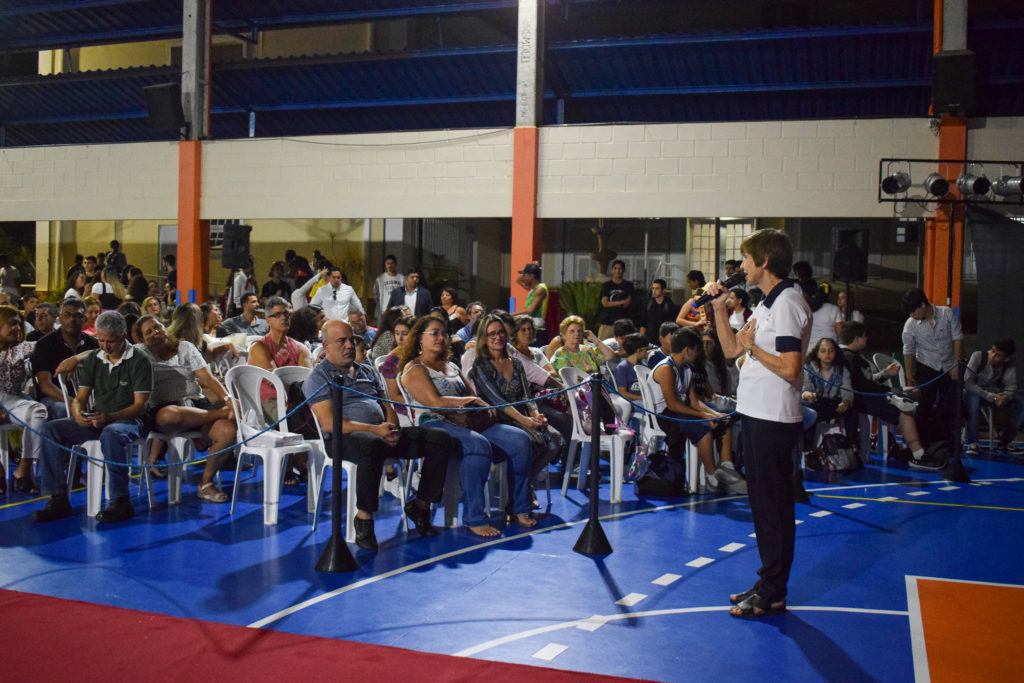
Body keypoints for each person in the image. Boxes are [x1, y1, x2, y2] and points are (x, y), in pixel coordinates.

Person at [707, 228, 811, 618]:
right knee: (763, 504)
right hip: (756, 413)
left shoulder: (787, 303)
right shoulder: (768, 303)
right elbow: (732, 349)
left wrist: (753, 349)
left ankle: (773, 590)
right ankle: (768, 580)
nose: (742, 266)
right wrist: (719, 310)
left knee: (773, 506)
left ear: (764, 261)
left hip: (773, 417)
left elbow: (790, 367)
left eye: (747, 259)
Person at [304, 320, 452, 549]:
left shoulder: (365, 370)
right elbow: (329, 423)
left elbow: (386, 405)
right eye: (341, 341)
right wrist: (375, 430)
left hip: (381, 433)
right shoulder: (319, 376)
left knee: (439, 440)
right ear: (326, 346)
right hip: (344, 439)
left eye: (351, 339)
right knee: (371, 445)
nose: (349, 345)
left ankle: (420, 505)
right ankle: (364, 518)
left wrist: (391, 427)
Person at [399, 316, 536, 537]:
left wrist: (472, 407)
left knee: (520, 440)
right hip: (435, 424)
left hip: (467, 421)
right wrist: (469, 403)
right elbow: (435, 402)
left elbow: (472, 395)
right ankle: (475, 518)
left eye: (444, 333)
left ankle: (519, 507)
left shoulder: (452, 366)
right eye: (434, 333)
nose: (441, 337)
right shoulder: (414, 368)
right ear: (419, 338)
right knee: (478, 444)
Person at [33, 311, 153, 524]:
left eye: (110, 341)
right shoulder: (94, 359)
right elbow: (80, 398)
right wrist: (78, 413)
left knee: (111, 433)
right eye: (100, 340)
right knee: (50, 429)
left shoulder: (139, 360)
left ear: (123, 337)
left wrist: (110, 418)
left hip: (130, 421)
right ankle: (58, 498)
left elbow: (140, 406)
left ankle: (121, 501)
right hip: (99, 418)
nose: (105, 346)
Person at [469, 314, 564, 504]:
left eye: (501, 332)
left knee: (555, 439)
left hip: (523, 415)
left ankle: (525, 484)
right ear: (484, 338)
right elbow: (498, 402)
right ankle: (518, 496)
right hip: (498, 419)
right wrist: (527, 421)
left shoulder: (517, 363)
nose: (498, 337)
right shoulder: (480, 366)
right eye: (492, 334)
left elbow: (527, 397)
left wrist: (537, 416)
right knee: (530, 440)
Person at [648, 327, 746, 494]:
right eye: (697, 350)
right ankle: (712, 475)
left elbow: (694, 401)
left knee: (724, 421)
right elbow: (672, 404)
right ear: (688, 350)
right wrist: (703, 416)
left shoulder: (687, 369)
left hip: (680, 411)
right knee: (703, 430)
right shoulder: (666, 369)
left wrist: (714, 414)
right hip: (665, 415)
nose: (698, 354)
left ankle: (726, 466)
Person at [837, 321, 932, 468]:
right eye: (864, 336)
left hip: (871, 394)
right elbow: (864, 386)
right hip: (867, 398)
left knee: (915, 394)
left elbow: (866, 380)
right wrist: (890, 393)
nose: (866, 339)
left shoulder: (850, 357)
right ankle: (918, 453)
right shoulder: (850, 358)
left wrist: (886, 374)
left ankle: (914, 442)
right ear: (856, 339)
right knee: (905, 408)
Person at [0, 305, 47, 494]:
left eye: (19, 324)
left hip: (14, 399)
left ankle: (23, 469)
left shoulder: (23, 347)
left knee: (39, 411)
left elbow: (49, 345)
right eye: (11, 324)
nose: (17, 328)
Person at [30, 299, 99, 420]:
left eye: (77, 315)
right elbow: (45, 385)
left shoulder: (93, 344)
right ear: (60, 318)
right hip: (56, 398)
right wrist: (74, 402)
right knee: (63, 410)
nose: (72, 319)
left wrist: (77, 359)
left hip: (89, 398)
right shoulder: (44, 345)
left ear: (84, 319)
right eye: (67, 315)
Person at [901, 287, 963, 420]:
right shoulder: (910, 324)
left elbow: (957, 337)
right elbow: (908, 349)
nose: (911, 315)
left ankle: (945, 431)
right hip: (926, 366)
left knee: (951, 405)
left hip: (949, 366)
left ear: (923, 305)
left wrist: (956, 365)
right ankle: (922, 432)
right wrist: (909, 374)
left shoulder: (946, 313)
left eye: (913, 311)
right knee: (924, 406)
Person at [964, 338, 1024, 455]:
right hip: (972, 393)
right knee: (973, 399)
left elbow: (1011, 385)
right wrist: (992, 397)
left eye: (998, 355)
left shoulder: (1008, 365)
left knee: (1021, 403)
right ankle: (973, 443)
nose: (993, 355)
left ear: (1006, 358)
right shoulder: (978, 356)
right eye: (992, 351)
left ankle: (1004, 443)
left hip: (994, 395)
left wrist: (1006, 396)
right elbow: (968, 384)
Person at [801, 337, 852, 448]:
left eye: (831, 351)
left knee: (851, 410)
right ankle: (808, 449)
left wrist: (846, 401)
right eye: (823, 351)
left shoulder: (842, 369)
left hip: (834, 404)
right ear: (818, 354)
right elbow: (805, 389)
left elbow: (847, 388)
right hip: (815, 402)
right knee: (808, 410)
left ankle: (849, 447)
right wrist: (807, 394)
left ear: (836, 353)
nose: (827, 354)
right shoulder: (808, 368)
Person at [549, 315, 617, 376]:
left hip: (596, 384)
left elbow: (610, 355)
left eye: (579, 331)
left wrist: (594, 339)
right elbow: (567, 379)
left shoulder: (587, 349)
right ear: (564, 335)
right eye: (572, 331)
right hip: (578, 386)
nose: (577, 334)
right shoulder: (561, 354)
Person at [598, 260, 634, 340]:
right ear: (612, 270)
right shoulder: (606, 285)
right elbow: (605, 303)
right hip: (607, 322)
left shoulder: (628, 285)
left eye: (620, 268)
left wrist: (612, 303)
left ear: (623, 270)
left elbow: (627, 302)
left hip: (623, 323)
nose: (617, 271)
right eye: (615, 268)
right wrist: (621, 302)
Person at [801, 280, 843, 349]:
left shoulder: (808, 308)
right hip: (829, 346)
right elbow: (839, 331)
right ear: (830, 295)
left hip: (809, 346)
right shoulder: (834, 309)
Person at [514, 263, 549, 343]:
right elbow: (518, 280)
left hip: (537, 328)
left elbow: (530, 311)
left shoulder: (540, 289)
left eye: (525, 275)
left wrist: (511, 315)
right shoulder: (533, 290)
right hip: (531, 326)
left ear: (531, 276)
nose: (523, 278)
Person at [614, 333, 650, 404]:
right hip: (634, 403)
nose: (647, 352)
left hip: (646, 401)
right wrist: (643, 399)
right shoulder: (622, 368)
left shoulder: (644, 366)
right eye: (646, 349)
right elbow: (623, 392)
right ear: (639, 350)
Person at [642, 278, 675, 347]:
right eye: (653, 288)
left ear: (663, 290)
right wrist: (642, 339)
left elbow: (671, 325)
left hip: (662, 341)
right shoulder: (649, 302)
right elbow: (643, 322)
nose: (654, 291)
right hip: (649, 340)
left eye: (657, 289)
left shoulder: (669, 304)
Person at [372, 255, 404, 325]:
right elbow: (376, 294)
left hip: (397, 311)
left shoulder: (401, 278)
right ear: (385, 264)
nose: (390, 265)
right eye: (388, 263)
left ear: (396, 264)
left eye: (392, 263)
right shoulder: (380, 278)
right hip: (383, 311)